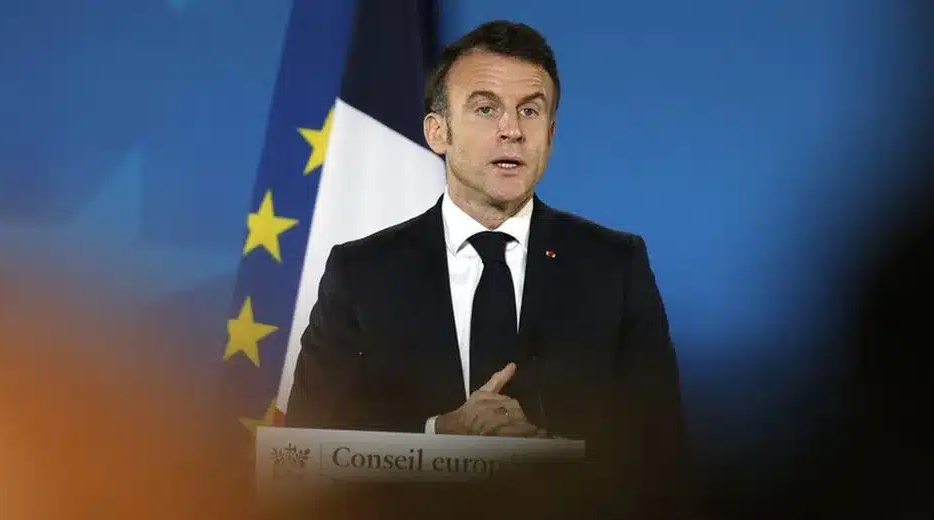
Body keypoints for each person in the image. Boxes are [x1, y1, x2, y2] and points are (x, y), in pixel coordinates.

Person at [286, 20, 683, 453]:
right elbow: (305, 447)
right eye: (486, 109)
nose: (512, 130)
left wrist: (547, 453)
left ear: (550, 135)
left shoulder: (615, 267)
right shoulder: (361, 274)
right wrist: (438, 435)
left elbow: (660, 448)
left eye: (530, 111)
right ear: (438, 132)